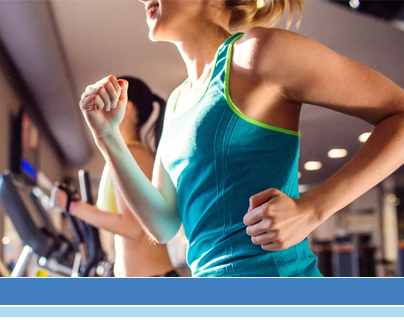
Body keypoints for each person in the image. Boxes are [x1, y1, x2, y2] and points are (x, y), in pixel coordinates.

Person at [77, 0, 404, 277]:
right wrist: (108, 138)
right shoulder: (176, 102)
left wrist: (313, 210)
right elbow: (163, 225)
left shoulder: (257, 53)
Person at [53, 76, 179, 277]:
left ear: (125, 109)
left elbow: (132, 228)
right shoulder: (128, 154)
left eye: (108, 101)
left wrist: (73, 206)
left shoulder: (134, 155)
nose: (100, 108)